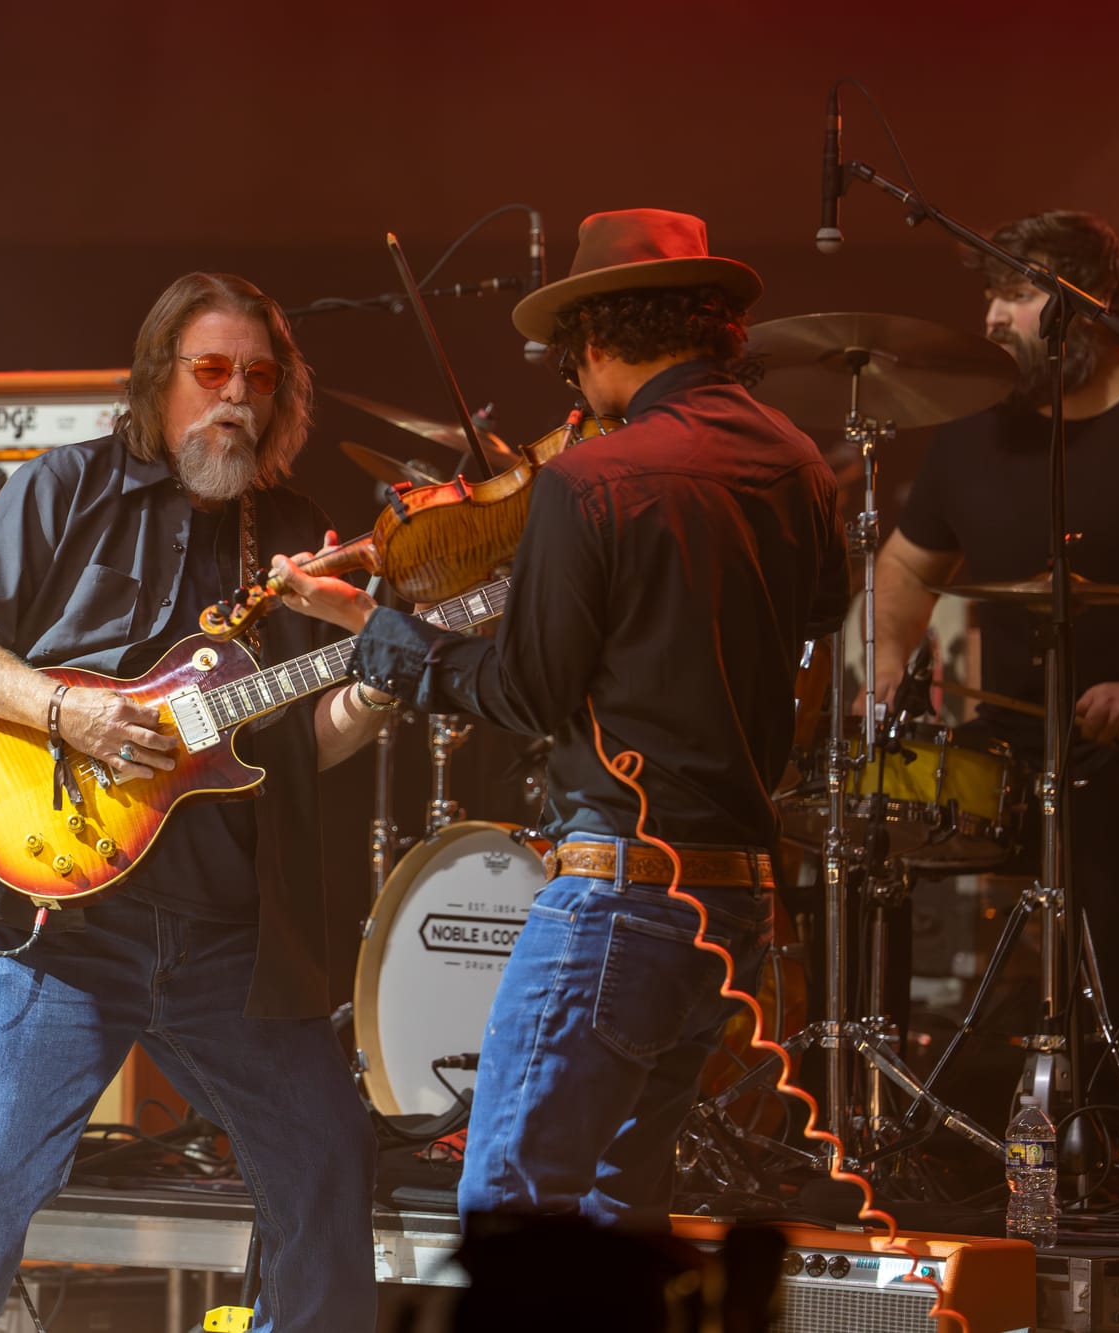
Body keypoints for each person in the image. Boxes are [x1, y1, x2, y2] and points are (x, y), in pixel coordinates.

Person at [281, 210, 849, 1226]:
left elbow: (524, 693)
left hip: (619, 893)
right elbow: (815, 611)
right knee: (614, 1214)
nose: (572, 390)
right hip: (736, 901)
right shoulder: (798, 462)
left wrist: (375, 631)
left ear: (594, 337)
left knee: (513, 1203)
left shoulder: (591, 479)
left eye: (567, 359)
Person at [0, 272, 386, 1332]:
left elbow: (302, 748)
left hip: (225, 935)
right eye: (213, 371)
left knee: (327, 1154)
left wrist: (380, 682)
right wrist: (68, 711)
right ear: (160, 378)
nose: (235, 397)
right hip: (70, 920)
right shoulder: (67, 488)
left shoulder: (296, 533)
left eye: (258, 378)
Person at [871, 210, 1119, 1063]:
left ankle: (1108, 1104)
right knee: (870, 844)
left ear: (1088, 301)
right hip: (1013, 749)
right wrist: (887, 658)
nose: (992, 317)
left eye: (1016, 294)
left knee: (1115, 905)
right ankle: (895, 1089)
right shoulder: (976, 429)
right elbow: (907, 565)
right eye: (989, 295)